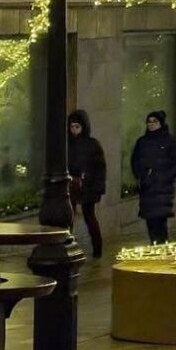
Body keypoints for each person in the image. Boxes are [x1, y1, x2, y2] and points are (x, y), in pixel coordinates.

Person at [130, 109, 176, 245]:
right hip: (148, 187)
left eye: (154, 121)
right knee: (151, 220)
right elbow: (135, 160)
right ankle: (155, 245)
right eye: (149, 121)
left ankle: (162, 245)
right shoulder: (142, 142)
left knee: (160, 219)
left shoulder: (169, 141)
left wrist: (165, 176)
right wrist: (141, 175)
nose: (151, 124)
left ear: (161, 123)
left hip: (163, 188)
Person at [67, 109, 106, 258]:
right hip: (71, 185)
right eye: (72, 127)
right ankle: (67, 246)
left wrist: (96, 188)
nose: (74, 130)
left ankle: (97, 249)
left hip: (88, 186)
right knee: (68, 217)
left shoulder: (92, 145)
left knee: (89, 216)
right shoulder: (67, 144)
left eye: (77, 127)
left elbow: (100, 168)